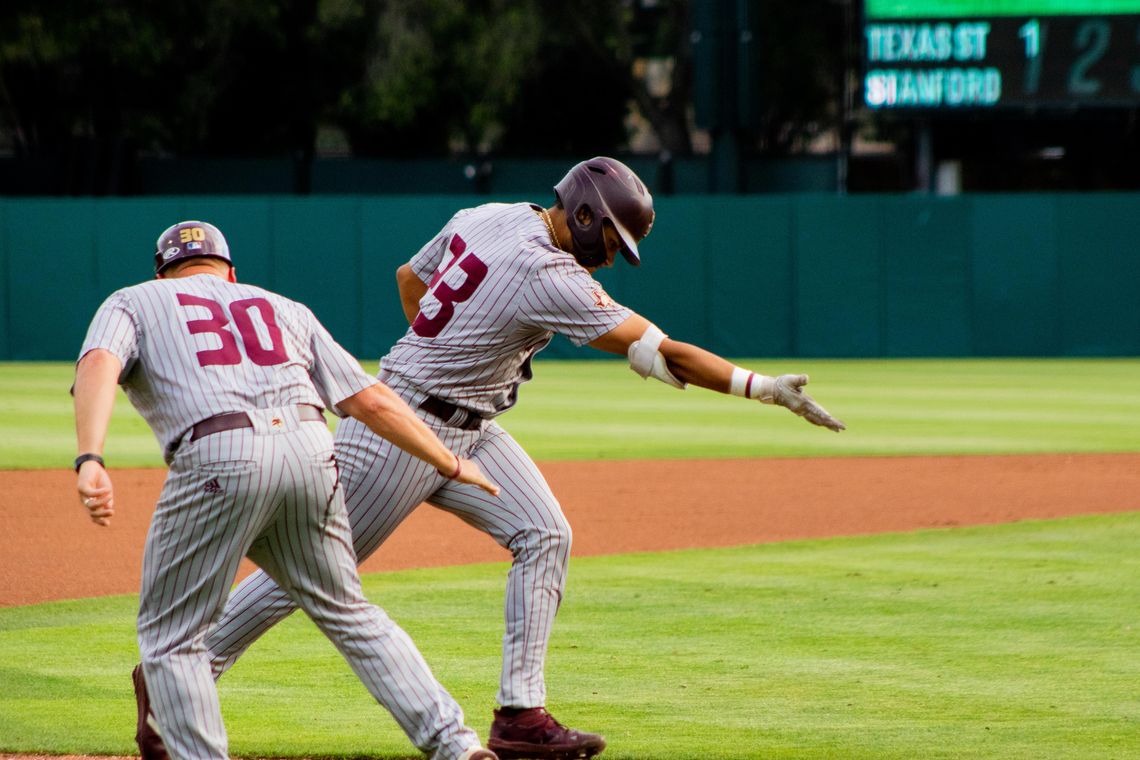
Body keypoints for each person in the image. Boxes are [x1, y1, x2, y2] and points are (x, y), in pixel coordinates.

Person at [150, 158, 845, 760]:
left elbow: (409, 278)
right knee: (315, 575)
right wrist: (761, 388)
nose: (609, 256)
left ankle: (520, 716)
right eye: (609, 238)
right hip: (405, 426)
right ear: (580, 212)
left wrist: (455, 345)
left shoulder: (488, 213)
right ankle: (183, 674)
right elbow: (662, 354)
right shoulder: (551, 276)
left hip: (470, 422)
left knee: (545, 534)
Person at [74, 221, 503, 760]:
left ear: (161, 272)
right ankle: (456, 746)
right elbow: (368, 399)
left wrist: (90, 455)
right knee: (350, 613)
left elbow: (98, 364)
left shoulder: (134, 300)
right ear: (231, 271)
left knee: (173, 639)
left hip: (219, 454)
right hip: (310, 450)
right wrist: (449, 460)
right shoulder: (282, 305)